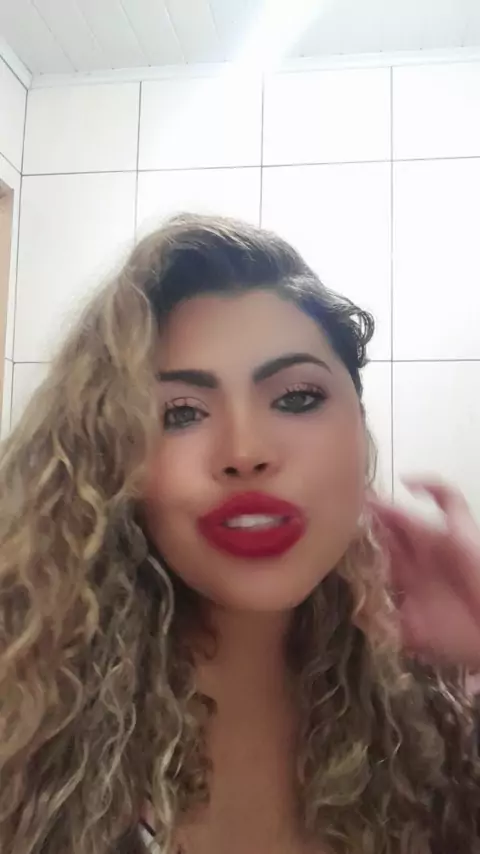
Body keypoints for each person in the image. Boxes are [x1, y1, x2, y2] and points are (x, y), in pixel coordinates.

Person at [0, 213, 480, 854]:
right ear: (116, 461)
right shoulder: (21, 723)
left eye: (297, 398)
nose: (245, 451)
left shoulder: (441, 723)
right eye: (181, 413)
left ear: (357, 429)